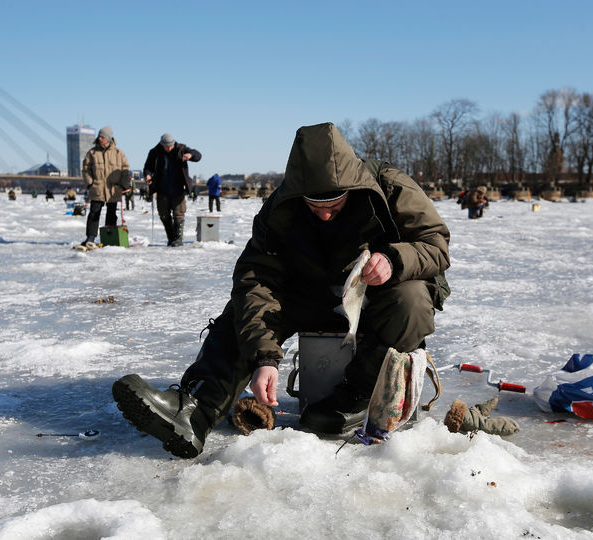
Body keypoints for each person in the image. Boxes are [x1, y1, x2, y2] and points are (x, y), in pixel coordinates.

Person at [112, 122, 451, 458]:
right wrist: (264, 357)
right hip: (313, 295)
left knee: (412, 299)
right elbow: (255, 279)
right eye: (315, 206)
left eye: (335, 203)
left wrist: (393, 259)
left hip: (377, 298)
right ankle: (195, 408)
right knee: (245, 308)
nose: (327, 215)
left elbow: (436, 244)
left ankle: (360, 395)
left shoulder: (389, 186)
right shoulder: (281, 207)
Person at [142, 133, 201, 246]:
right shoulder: (155, 152)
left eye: (170, 146)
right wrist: (148, 175)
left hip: (178, 188)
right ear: (161, 144)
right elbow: (147, 167)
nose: (168, 148)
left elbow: (198, 155)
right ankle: (171, 238)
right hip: (161, 189)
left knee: (178, 214)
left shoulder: (181, 149)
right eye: (166, 146)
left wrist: (190, 155)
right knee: (163, 214)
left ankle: (178, 240)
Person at [80, 126, 130, 248]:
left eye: (102, 136)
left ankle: (109, 236)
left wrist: (123, 184)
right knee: (94, 212)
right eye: (99, 136)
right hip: (97, 187)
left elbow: (125, 170)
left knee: (112, 213)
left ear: (108, 138)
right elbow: (85, 170)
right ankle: (90, 237)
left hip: (114, 189)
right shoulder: (92, 153)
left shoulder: (119, 153)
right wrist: (90, 183)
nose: (100, 138)